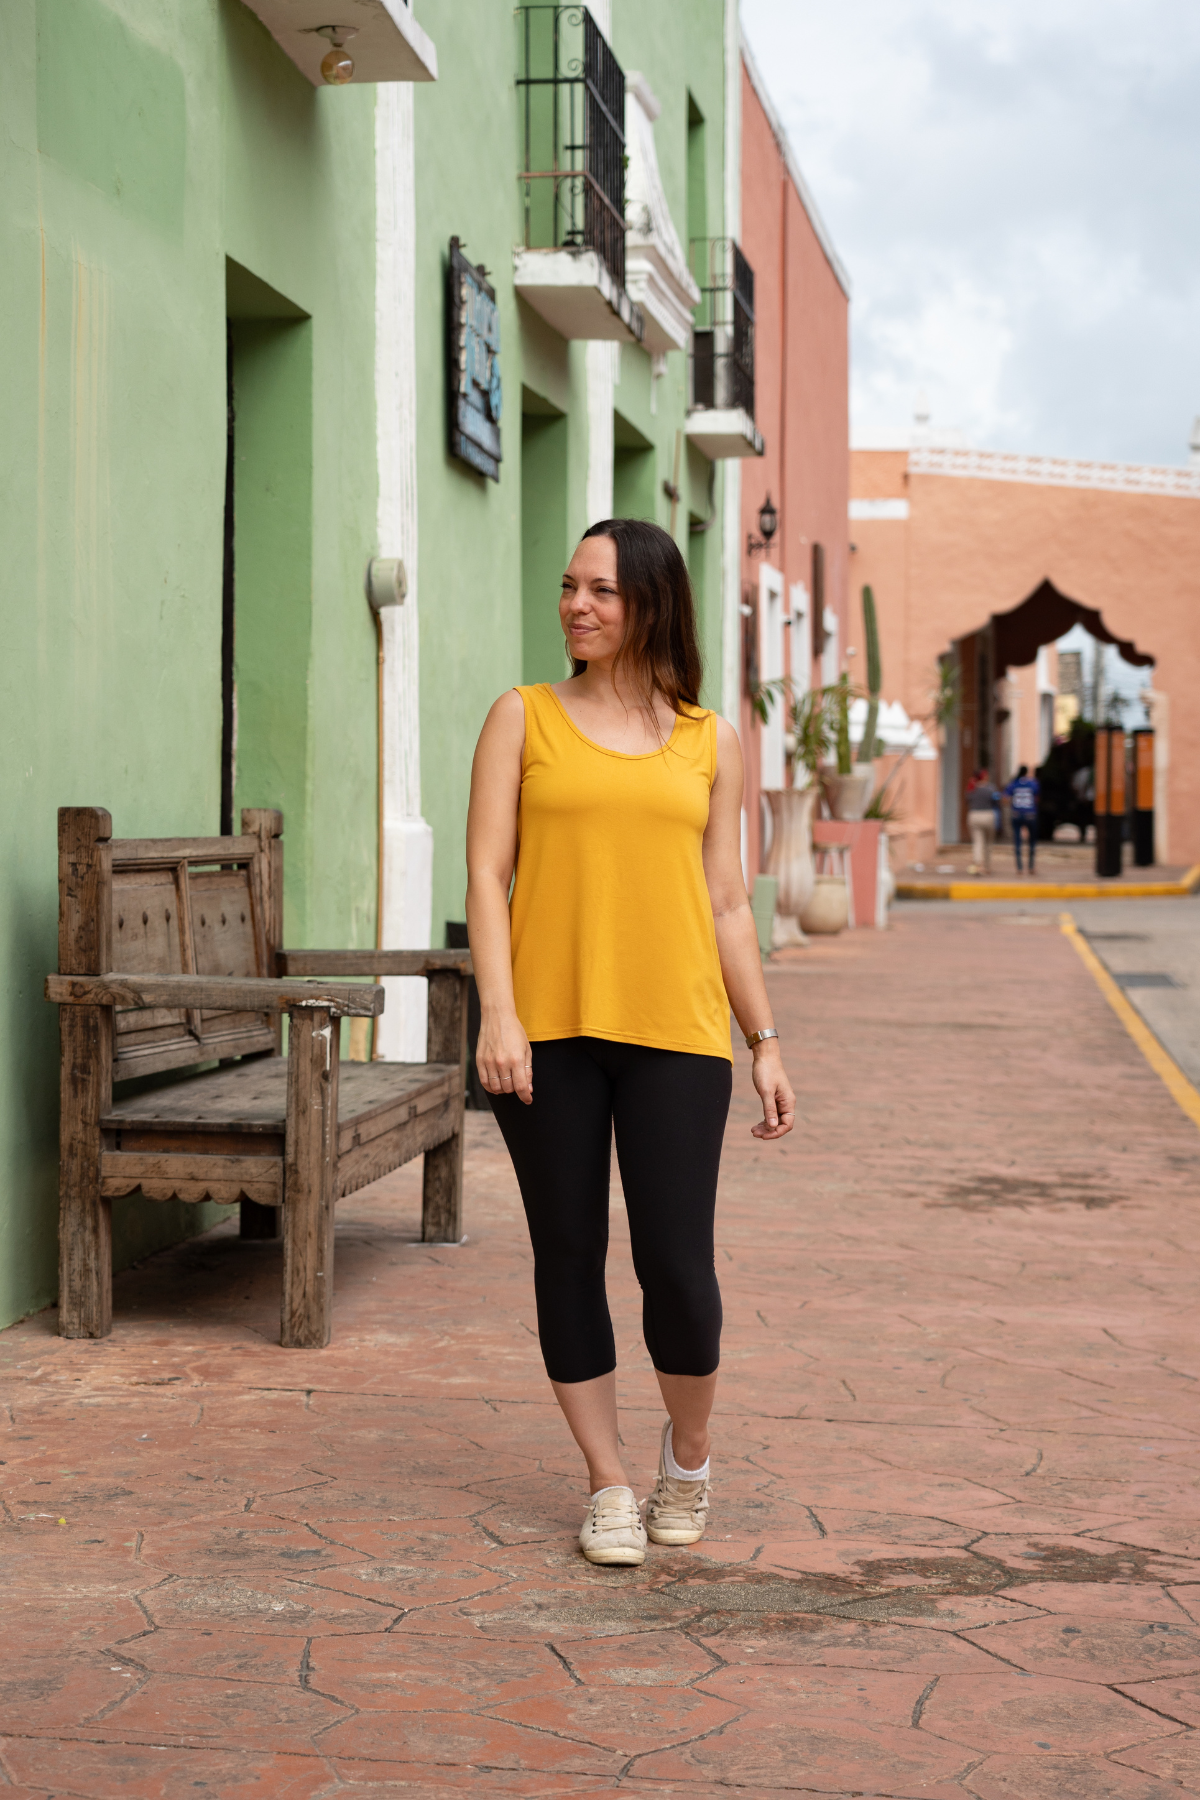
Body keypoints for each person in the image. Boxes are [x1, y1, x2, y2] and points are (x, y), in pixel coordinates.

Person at [465, 518, 795, 1569]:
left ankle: (686, 1455)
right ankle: (608, 1482)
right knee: (568, 1254)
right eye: (569, 587)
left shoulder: (710, 740)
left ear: (651, 601)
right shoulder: (522, 719)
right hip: (548, 1036)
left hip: (678, 1034)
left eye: (601, 590)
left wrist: (766, 1039)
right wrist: (499, 1012)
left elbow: (727, 903)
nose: (577, 606)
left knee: (677, 1268)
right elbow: (485, 877)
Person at [1005, 763, 1040, 873]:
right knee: (1032, 842)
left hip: (1016, 814)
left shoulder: (1013, 783)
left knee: (1017, 841)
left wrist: (1013, 804)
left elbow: (1005, 798)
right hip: (1030, 815)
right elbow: (1037, 797)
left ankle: (1019, 867)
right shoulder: (1033, 783)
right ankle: (1031, 866)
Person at [965, 767, 1000, 875]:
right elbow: (997, 800)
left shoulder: (971, 788)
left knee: (978, 842)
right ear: (984, 776)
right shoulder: (991, 788)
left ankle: (978, 865)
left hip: (974, 815)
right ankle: (987, 867)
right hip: (988, 815)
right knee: (988, 843)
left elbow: (967, 800)